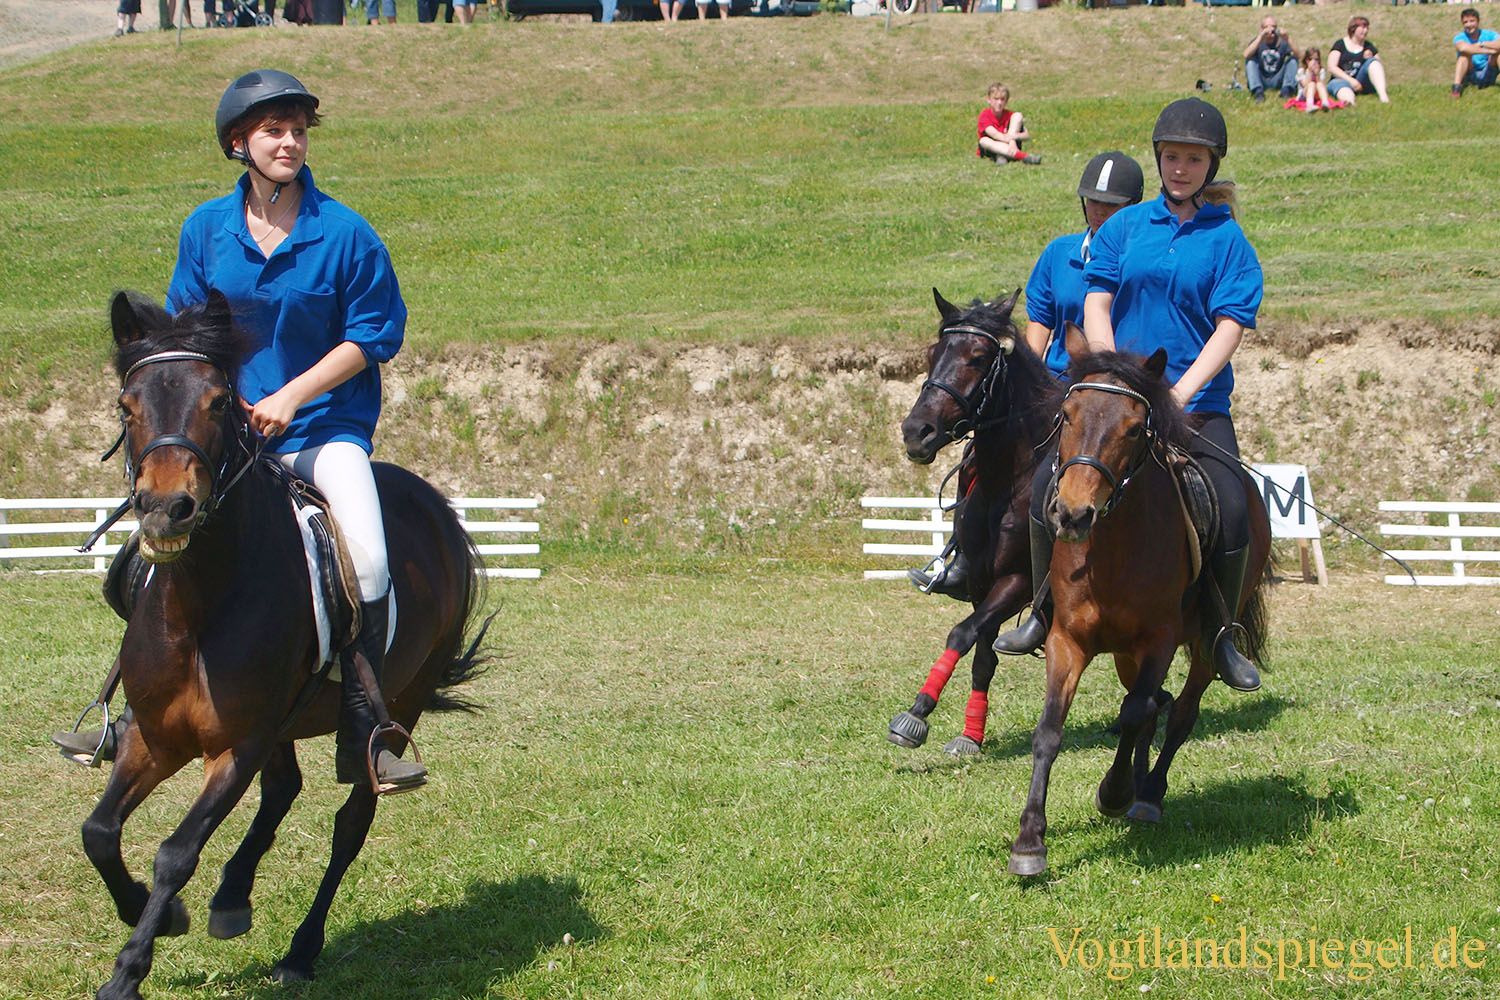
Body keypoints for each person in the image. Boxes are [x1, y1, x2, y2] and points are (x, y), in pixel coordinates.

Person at [54, 70, 425, 792]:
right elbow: (182, 339)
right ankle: (130, 709)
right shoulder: (205, 231)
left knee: (372, 565)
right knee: (143, 558)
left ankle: (369, 723)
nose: (288, 141)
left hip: (323, 431)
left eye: (297, 129)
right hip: (227, 442)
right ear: (239, 143)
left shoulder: (345, 233)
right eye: (272, 130)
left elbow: (375, 334)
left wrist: (289, 395)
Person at [994, 98, 1265, 695]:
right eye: (1171, 157)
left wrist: (1177, 391)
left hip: (1195, 403)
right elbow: (1096, 300)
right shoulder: (1124, 227)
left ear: (1210, 164)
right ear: (1159, 159)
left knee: (1234, 502)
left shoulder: (1228, 242)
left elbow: (1229, 327)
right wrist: (1113, 377)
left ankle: (1221, 633)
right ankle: (1043, 610)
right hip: (1115, 404)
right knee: (1045, 484)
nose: (1180, 168)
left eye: (1193, 159)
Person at [909, 152, 1142, 599]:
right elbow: (1037, 336)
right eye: (1093, 202)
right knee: (981, 453)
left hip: (1107, 396)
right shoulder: (1058, 254)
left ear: (1133, 208)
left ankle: (1046, 591)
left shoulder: (1138, 262)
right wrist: (1020, 392)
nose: (1100, 211)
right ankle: (958, 555)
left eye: (1111, 205)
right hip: (1051, 390)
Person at [1328, 16, 1390, 106]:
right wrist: (1351, 81)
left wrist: (1371, 58)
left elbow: (1378, 66)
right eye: (1363, 27)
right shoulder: (1340, 44)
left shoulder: (1368, 46)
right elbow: (1331, 67)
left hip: (1362, 82)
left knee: (1373, 62)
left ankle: (1384, 97)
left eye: (1367, 28)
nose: (1365, 31)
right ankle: (1350, 102)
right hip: (1341, 80)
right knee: (1343, 87)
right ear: (1353, 28)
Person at [976, 83, 1042, 167]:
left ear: (1006, 101)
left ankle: (1003, 156)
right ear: (989, 99)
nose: (999, 102)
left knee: (1018, 115)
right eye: (996, 99)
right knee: (984, 140)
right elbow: (995, 135)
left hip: (1011, 147)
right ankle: (1023, 156)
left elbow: (1026, 136)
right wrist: (1011, 142)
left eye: (1002, 99)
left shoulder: (1010, 115)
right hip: (992, 148)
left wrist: (1013, 140)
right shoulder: (984, 115)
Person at [1243, 14, 1297, 104]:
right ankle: (1258, 92)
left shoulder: (1282, 41)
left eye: (1274, 27)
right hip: (1262, 78)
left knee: (1293, 60)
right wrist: (1261, 37)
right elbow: (1246, 55)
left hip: (1277, 77)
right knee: (1250, 61)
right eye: (1266, 27)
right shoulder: (1257, 41)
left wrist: (1288, 39)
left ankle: (1286, 90)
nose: (1271, 30)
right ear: (1261, 29)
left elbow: (1300, 56)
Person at [1453, 7, 1500, 99]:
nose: (1469, 25)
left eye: (1472, 21)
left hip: (1489, 72)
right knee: (1464, 55)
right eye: (1465, 22)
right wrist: (1489, 50)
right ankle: (1456, 89)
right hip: (1471, 74)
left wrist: (1482, 44)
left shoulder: (1489, 34)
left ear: (1478, 22)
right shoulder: (1459, 37)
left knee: (1499, 54)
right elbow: (1462, 48)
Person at [1297, 47, 1333, 113]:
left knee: (1319, 84)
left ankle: (1325, 103)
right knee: (1312, 84)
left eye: (1316, 59)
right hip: (1304, 95)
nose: (1313, 62)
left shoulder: (1321, 71)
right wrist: (1310, 72)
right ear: (1306, 60)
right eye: (1310, 59)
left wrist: (1317, 74)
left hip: (1316, 94)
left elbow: (1322, 84)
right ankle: (1309, 105)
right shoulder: (1301, 71)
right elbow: (1304, 85)